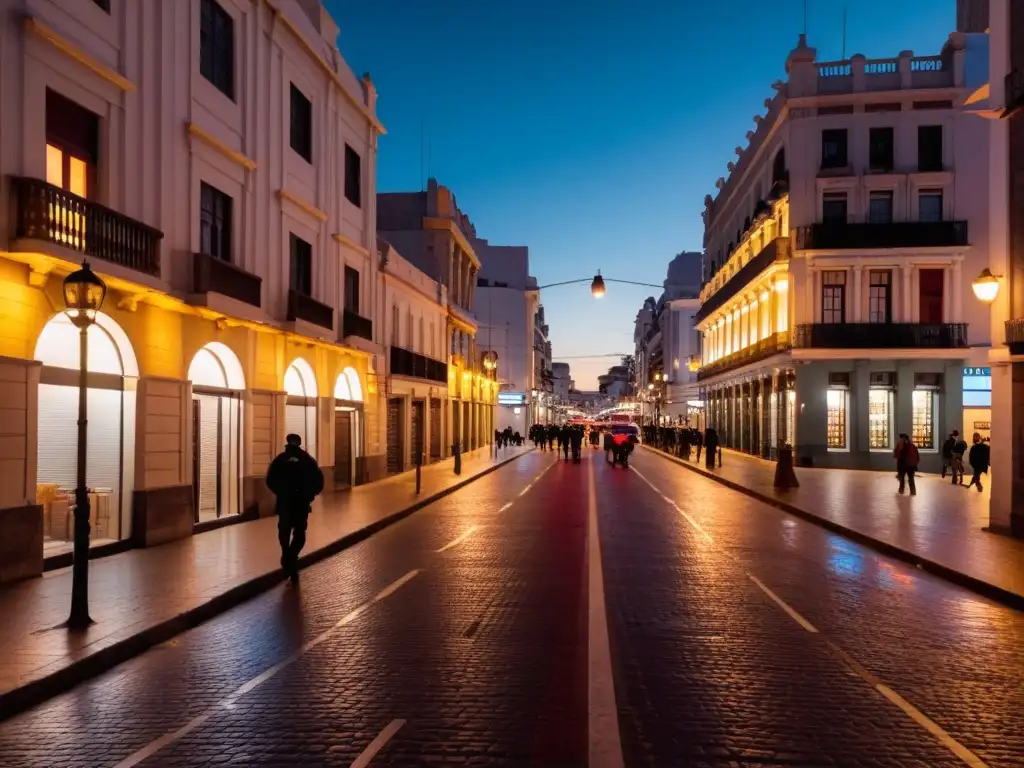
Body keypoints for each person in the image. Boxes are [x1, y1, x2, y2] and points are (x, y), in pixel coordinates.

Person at [266, 433, 324, 583]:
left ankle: (287, 555)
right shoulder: (308, 460)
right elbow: (319, 481)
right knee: (299, 533)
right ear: (300, 443)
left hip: (285, 503)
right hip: (301, 504)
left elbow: (270, 479)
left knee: (284, 531)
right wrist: (310, 495)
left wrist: (280, 492)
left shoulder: (280, 460)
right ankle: (291, 557)